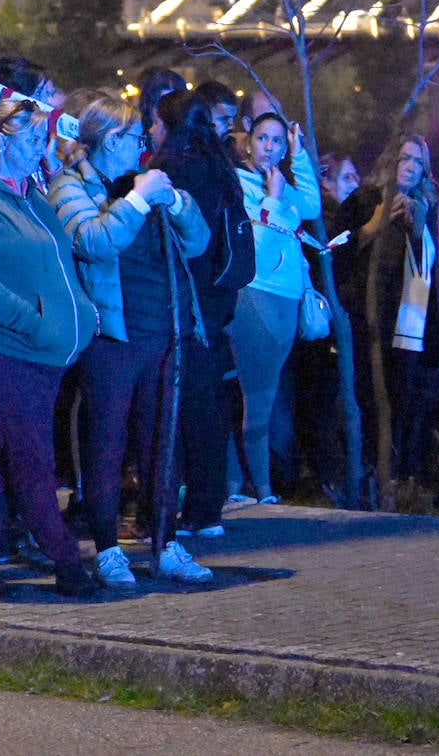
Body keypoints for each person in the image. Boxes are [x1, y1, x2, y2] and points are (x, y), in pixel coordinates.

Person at [51, 97, 214, 585]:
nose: (141, 148)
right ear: (107, 140)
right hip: (112, 337)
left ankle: (165, 543)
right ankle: (106, 548)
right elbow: (93, 241)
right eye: (132, 139)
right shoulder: (70, 186)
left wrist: (177, 202)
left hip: (163, 332)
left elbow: (199, 241)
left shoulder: (142, 183)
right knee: (106, 442)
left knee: (161, 444)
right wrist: (139, 199)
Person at [0, 99, 99, 600]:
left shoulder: (31, 193)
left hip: (40, 352)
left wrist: (82, 314)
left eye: (45, 138)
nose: (43, 147)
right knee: (33, 460)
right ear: (2, 139)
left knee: (3, 454)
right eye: (33, 138)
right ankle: (67, 559)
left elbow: (62, 263)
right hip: (4, 349)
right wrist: (35, 324)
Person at [332, 133, 439, 509]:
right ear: (390, 161)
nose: (411, 167)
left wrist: (423, 227)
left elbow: (435, 270)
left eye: (419, 162)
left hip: (414, 321)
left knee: (409, 402)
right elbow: (333, 254)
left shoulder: (427, 206)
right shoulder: (362, 201)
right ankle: (369, 483)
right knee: (371, 401)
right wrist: (372, 228)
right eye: (405, 158)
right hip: (369, 321)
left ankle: (403, 483)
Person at [148, 88, 250, 540]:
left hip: (184, 299)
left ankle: (179, 510)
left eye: (154, 123)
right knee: (208, 406)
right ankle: (208, 509)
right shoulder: (221, 167)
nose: (149, 131)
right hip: (218, 298)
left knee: (181, 406)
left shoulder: (172, 171)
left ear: (169, 126)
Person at [226, 109, 321, 504]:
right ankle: (259, 486)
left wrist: (299, 159)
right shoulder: (239, 182)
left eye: (278, 141)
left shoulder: (278, 179)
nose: (270, 147)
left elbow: (313, 208)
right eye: (263, 138)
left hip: (286, 298)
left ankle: (238, 483)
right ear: (249, 141)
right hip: (255, 295)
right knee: (257, 396)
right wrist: (272, 198)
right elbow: (256, 253)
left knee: (262, 393)